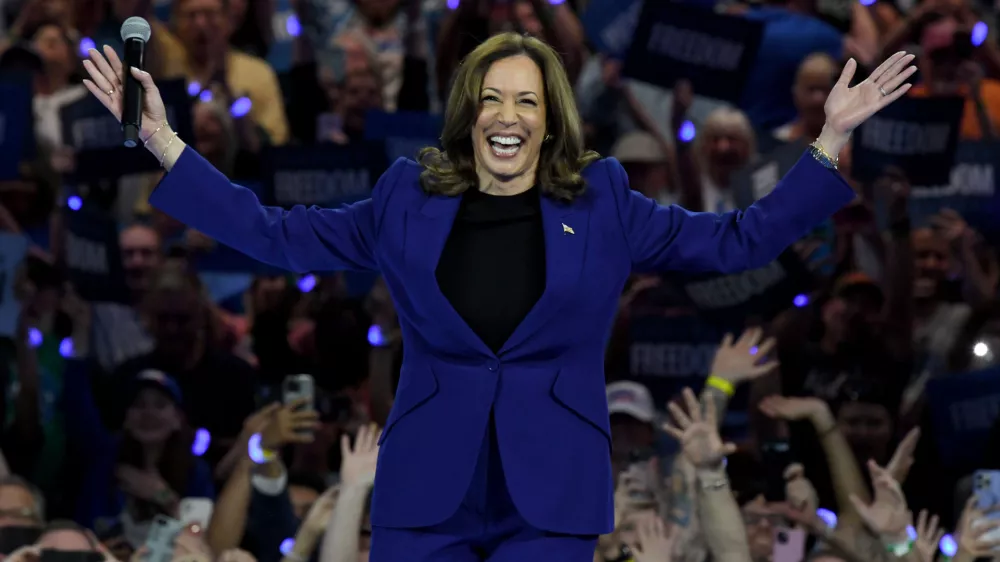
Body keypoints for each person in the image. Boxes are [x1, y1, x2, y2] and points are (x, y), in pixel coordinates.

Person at [81, 31, 916, 561]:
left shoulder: (605, 201)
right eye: (491, 98)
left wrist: (830, 139)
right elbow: (274, 233)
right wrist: (161, 140)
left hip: (549, 494)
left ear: (550, 119)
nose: (507, 114)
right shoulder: (406, 196)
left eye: (527, 99)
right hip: (425, 493)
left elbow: (738, 239)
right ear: (467, 113)